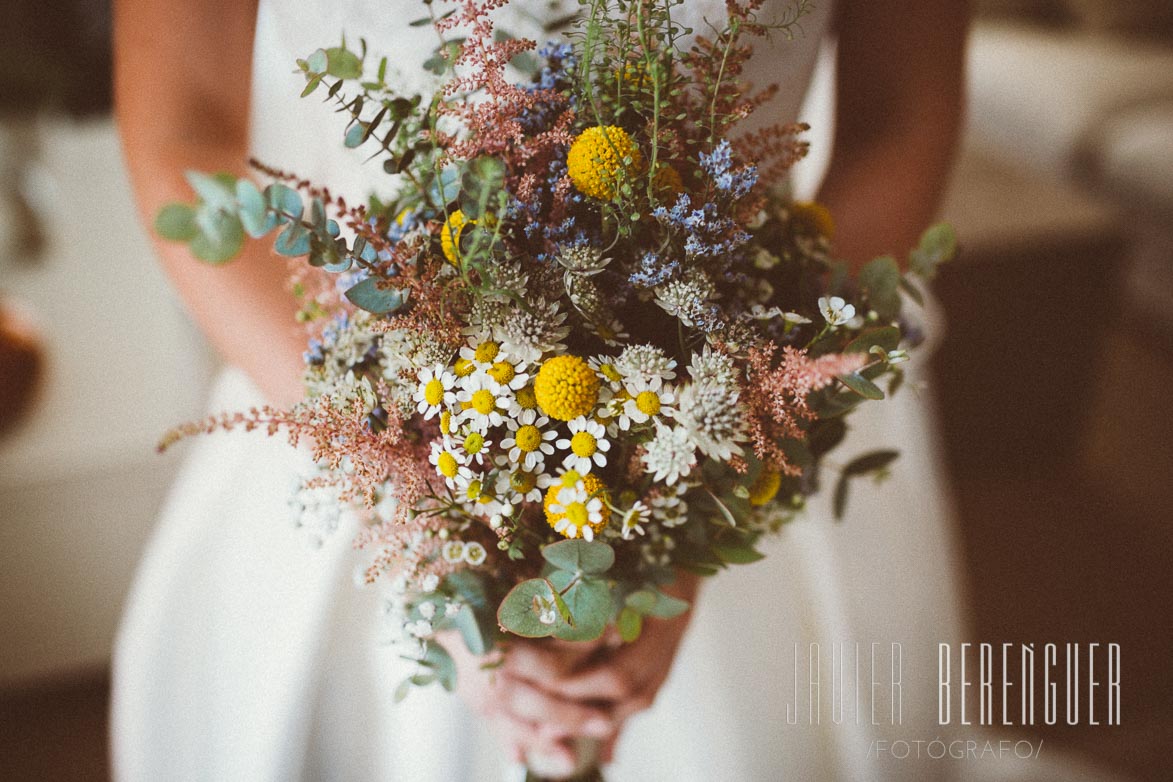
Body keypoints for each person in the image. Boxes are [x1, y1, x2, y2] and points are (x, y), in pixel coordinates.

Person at [112, 1, 982, 780]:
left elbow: (899, 117)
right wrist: (409, 487)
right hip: (330, 387)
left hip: (737, 397)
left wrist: (711, 498)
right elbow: (182, 134)